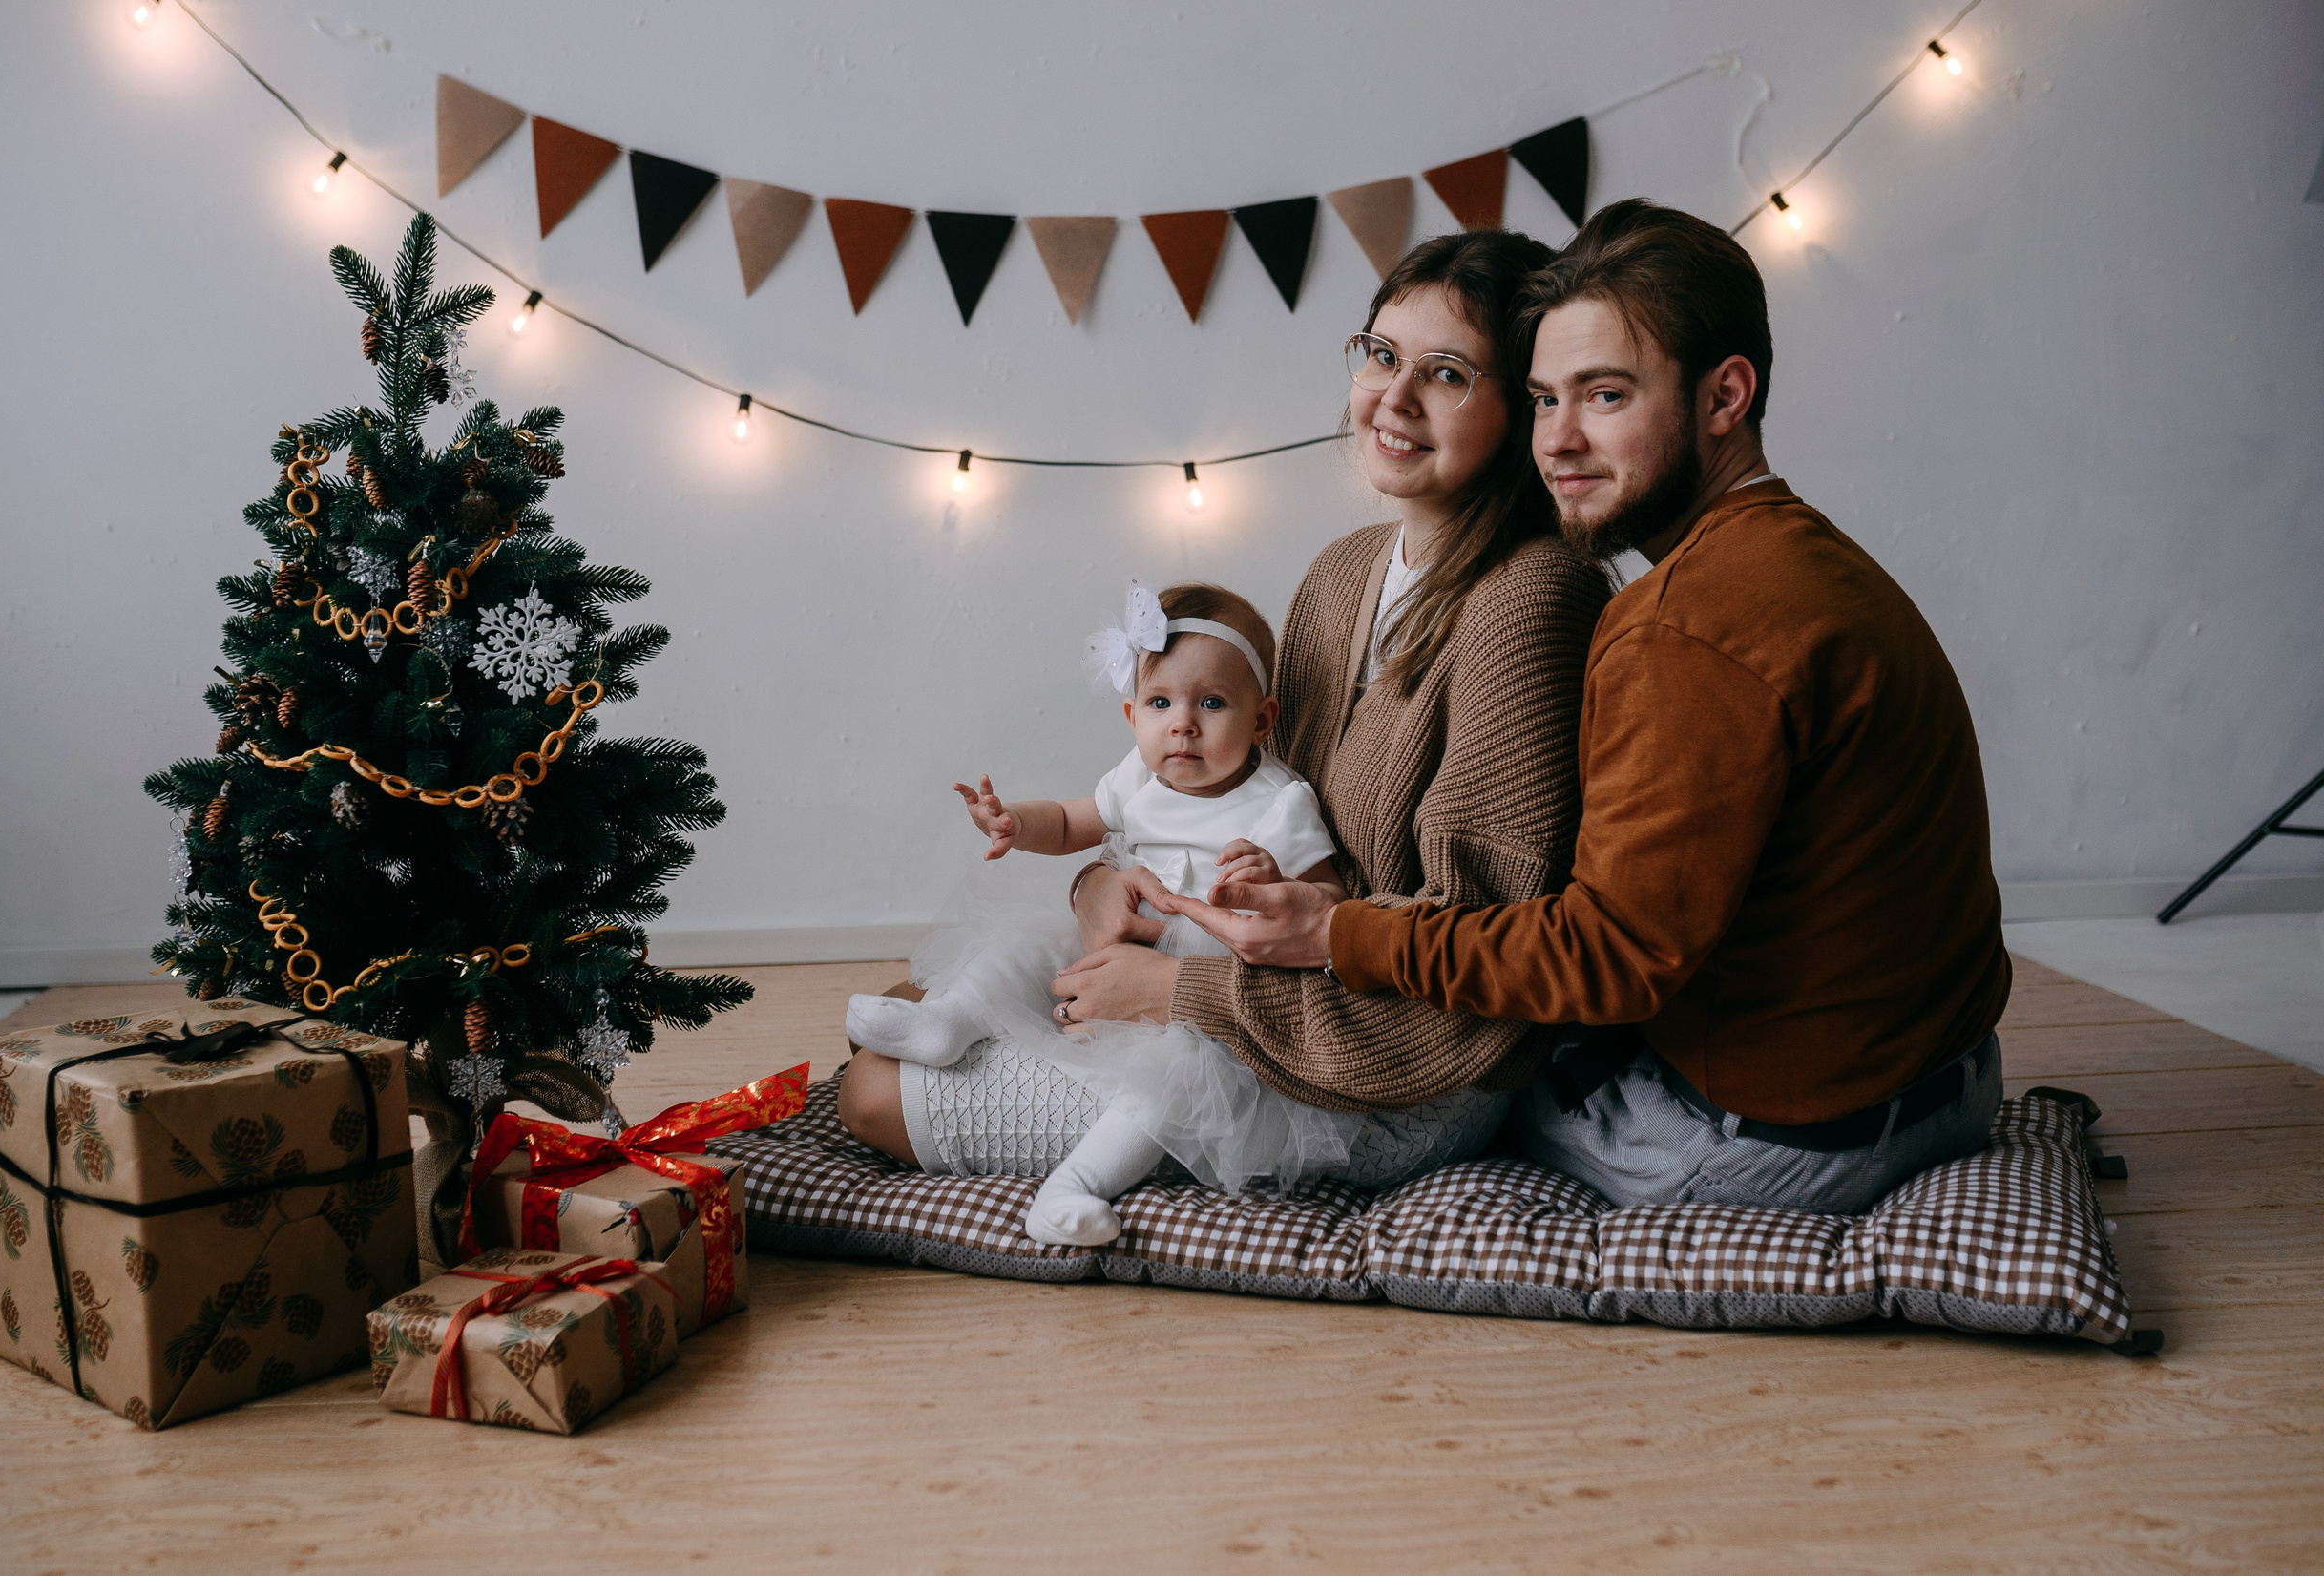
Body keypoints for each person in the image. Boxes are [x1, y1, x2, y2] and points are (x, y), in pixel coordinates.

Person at [1152, 199, 2009, 1217]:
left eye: (1605, 396)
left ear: (1724, 396)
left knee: (1454, 1081)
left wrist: (1339, 936)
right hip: (1945, 1079)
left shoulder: (1678, 628)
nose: (1556, 442)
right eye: (1544, 399)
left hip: (1789, 1139)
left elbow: (1604, 960)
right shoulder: (1792, 552)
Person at [836, 228, 1613, 1215]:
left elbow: (1479, 965)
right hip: (1249, 982)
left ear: (1525, 407)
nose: (1394, 399)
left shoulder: (1530, 602)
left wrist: (1175, 995)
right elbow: (1229, 801)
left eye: (1448, 374)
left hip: (1395, 1074)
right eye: (1382, 355)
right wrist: (1100, 889)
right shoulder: (1345, 571)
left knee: (871, 1090)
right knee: (922, 1007)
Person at [845, 581, 1360, 1246]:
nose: (1183, 723)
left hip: (1202, 995)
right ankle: (951, 1021)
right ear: (1131, 714)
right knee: (1025, 944)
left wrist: (1272, 877)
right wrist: (1011, 822)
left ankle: (1076, 1185)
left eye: (1211, 703)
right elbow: (1067, 823)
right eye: (1160, 702)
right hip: (1118, 941)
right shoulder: (1138, 779)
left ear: (1262, 720)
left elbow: (1330, 909)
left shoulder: (1279, 803)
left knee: (1177, 1081)